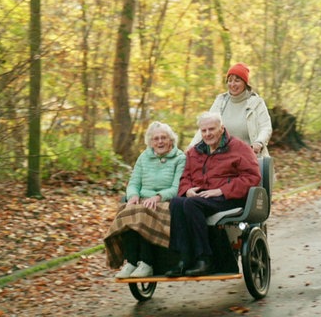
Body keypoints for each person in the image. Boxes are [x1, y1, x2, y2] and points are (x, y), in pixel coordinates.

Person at [165, 112, 261, 277]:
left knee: (191, 204)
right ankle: (184, 258)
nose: (207, 134)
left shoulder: (239, 148)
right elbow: (185, 176)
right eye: (204, 130)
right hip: (203, 197)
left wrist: (222, 190)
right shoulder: (194, 152)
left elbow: (252, 177)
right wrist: (187, 190)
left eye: (211, 129)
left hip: (230, 197)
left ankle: (204, 259)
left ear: (222, 129)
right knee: (176, 202)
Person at [104, 121, 186, 278]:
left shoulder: (180, 158)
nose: (160, 142)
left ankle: (146, 263)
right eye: (156, 139)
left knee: (142, 212)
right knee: (127, 210)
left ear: (171, 140)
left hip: (165, 202)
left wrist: (158, 197)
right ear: (150, 142)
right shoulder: (144, 157)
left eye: (164, 138)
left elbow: (177, 188)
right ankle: (131, 262)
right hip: (142, 199)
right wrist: (133, 195)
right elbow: (134, 182)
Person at [189, 62, 272, 157]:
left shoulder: (256, 102)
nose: (232, 84)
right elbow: (206, 126)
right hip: (223, 158)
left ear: (245, 83)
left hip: (250, 157)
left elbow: (266, 127)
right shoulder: (220, 101)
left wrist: (259, 142)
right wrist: (191, 147)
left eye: (237, 81)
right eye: (230, 80)